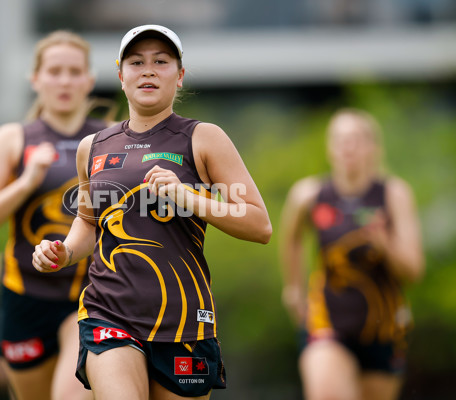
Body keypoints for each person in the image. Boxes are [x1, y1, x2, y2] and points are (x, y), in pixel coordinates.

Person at [32, 24, 272, 400]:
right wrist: (62, 251)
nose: (148, 70)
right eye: (136, 62)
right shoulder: (92, 147)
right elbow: (87, 223)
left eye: (161, 62)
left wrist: (189, 197)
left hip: (183, 323)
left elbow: (259, 225)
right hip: (108, 312)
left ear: (178, 77)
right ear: (120, 76)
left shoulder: (204, 138)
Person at [0, 30, 115, 400]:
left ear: (89, 80)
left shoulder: (112, 139)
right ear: (36, 79)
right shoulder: (12, 139)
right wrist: (27, 180)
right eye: (55, 71)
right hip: (25, 296)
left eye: (75, 71)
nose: (64, 81)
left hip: (90, 295)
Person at [279, 108, 425, 400]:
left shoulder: (393, 194)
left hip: (383, 328)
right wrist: (293, 288)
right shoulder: (308, 194)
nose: (348, 147)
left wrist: (384, 243)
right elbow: (291, 238)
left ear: (373, 147)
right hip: (326, 323)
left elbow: (413, 271)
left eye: (356, 139)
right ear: (329, 147)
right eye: (340, 139)